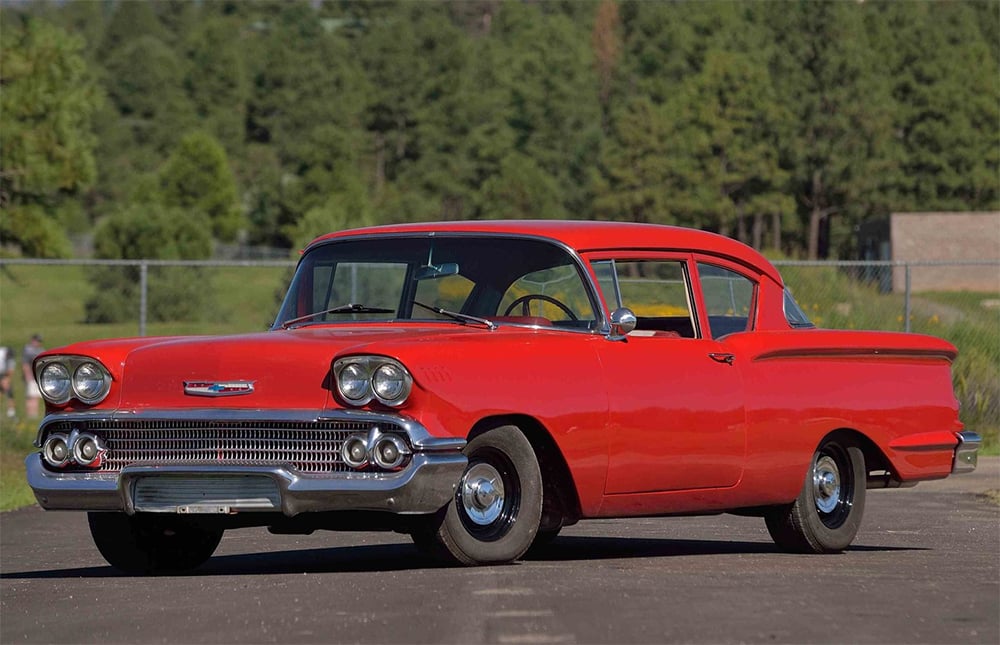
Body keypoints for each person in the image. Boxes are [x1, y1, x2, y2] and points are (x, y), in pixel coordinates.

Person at [22, 334, 44, 418]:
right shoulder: (28, 350)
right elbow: (25, 364)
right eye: (37, 341)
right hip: (31, 376)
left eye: (39, 341)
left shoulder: (40, 350)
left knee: (36, 396)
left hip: (37, 377)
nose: (38, 343)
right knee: (31, 396)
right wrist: (27, 375)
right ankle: (30, 414)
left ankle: (34, 414)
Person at [0, 345, 15, 419]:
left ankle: (11, 413)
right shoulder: (1, 355)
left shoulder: (10, 358)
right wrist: (2, 381)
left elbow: (10, 370)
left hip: (4, 375)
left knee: (9, 392)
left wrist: (7, 380)